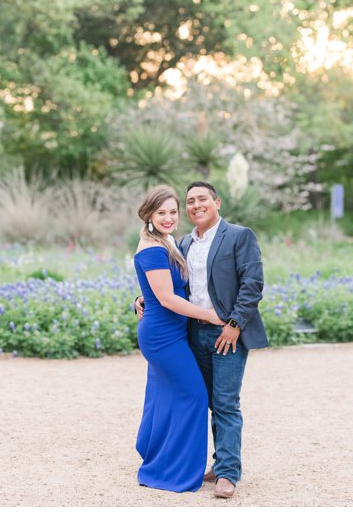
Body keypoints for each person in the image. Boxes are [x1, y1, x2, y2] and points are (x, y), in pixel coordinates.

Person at [136, 180, 267, 499]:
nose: (196, 205)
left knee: (225, 402)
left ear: (217, 202)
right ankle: (208, 462)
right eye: (190, 201)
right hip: (191, 333)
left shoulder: (239, 235)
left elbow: (253, 283)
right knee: (200, 398)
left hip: (226, 333)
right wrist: (141, 300)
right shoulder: (180, 243)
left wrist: (233, 324)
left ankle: (227, 473)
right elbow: (165, 286)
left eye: (202, 199)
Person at [133, 185, 225, 492]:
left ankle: (158, 457)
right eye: (162, 213)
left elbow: (158, 289)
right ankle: (174, 469)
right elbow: (168, 298)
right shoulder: (153, 247)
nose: (169, 218)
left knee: (164, 396)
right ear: (149, 215)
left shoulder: (168, 240)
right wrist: (211, 315)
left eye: (173, 212)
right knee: (194, 395)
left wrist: (141, 297)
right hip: (162, 336)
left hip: (172, 331)